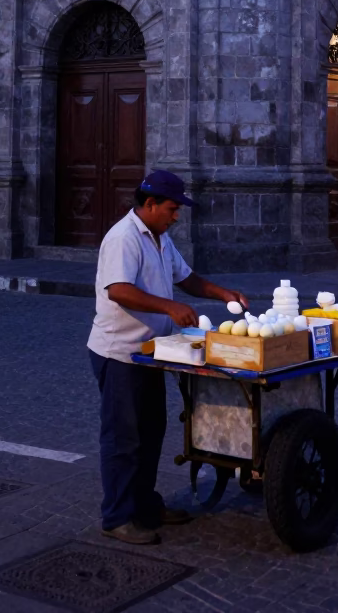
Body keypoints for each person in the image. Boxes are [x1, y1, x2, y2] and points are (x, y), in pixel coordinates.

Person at [87, 168, 248, 545]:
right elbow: (119, 290)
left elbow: (186, 278)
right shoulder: (123, 238)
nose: (177, 216)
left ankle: (145, 504)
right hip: (119, 354)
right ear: (150, 204)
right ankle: (117, 516)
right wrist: (169, 309)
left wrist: (223, 293)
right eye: (172, 209)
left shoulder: (159, 239)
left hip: (151, 354)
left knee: (151, 433)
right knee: (123, 439)